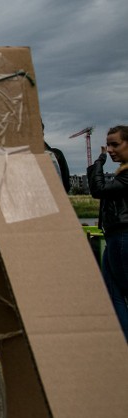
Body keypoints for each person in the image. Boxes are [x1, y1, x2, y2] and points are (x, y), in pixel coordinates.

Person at [87, 125, 128, 340]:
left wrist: (99, 162)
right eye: (108, 144)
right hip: (114, 237)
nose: (110, 149)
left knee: (121, 291)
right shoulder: (123, 172)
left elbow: (99, 190)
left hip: (122, 237)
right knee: (112, 293)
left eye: (115, 144)